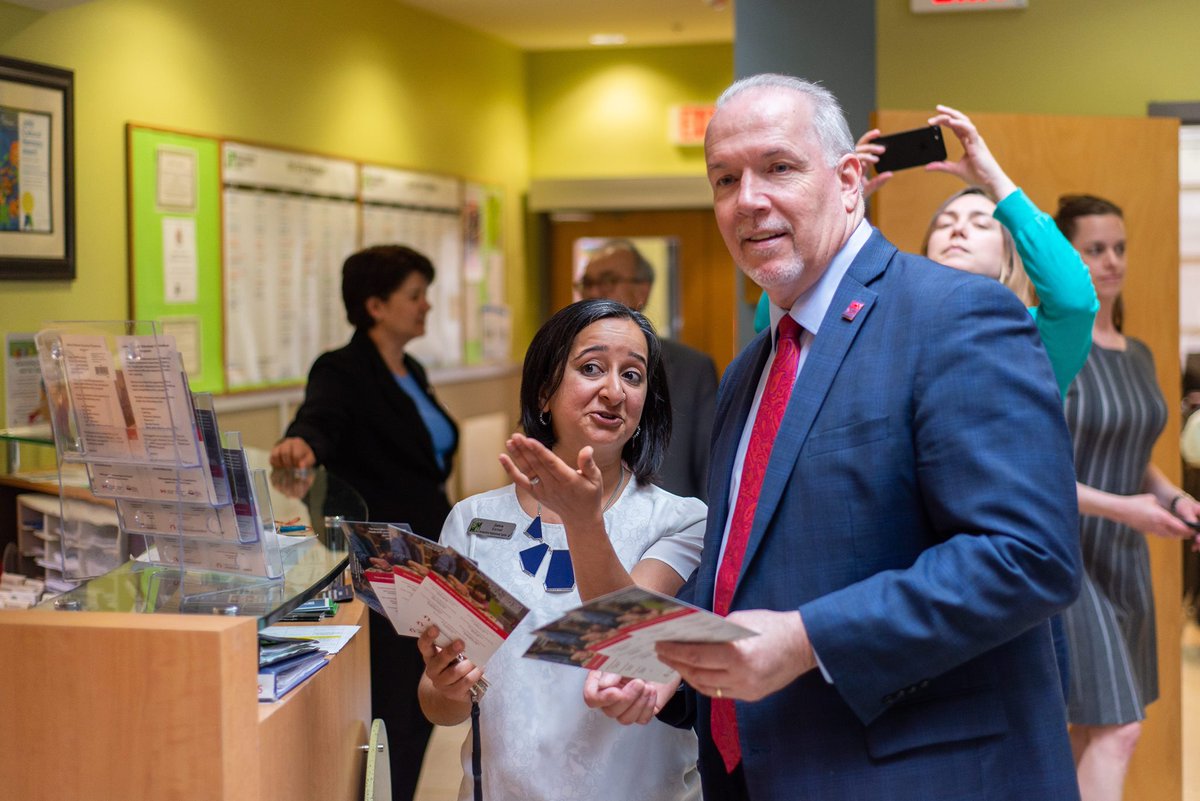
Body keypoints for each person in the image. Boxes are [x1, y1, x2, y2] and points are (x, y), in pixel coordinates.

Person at [589, 73, 1083, 800]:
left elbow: (1029, 556)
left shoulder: (955, 315)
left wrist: (806, 639)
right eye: (724, 179)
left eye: (778, 167)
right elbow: (747, 568)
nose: (747, 199)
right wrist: (664, 651)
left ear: (851, 180)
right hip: (761, 770)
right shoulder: (751, 368)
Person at [417, 299, 705, 801]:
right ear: (546, 391)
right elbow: (439, 706)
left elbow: (625, 642)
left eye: (633, 376)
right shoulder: (471, 522)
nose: (614, 391)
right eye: (591, 368)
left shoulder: (680, 520)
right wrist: (446, 687)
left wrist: (581, 519)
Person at [269, 244, 458, 801]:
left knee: (423, 696)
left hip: (428, 558)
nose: (426, 306)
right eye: (414, 296)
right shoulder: (342, 369)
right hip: (382, 570)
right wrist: (302, 443)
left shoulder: (412, 369)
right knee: (395, 702)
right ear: (375, 305)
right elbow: (319, 420)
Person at [1052, 194, 1200, 801]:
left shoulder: (1137, 354)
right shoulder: (1050, 347)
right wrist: (1127, 510)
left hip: (1124, 560)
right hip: (1065, 554)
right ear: (1064, 257)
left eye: (1119, 248)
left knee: (1092, 731)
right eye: (1094, 249)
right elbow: (1034, 470)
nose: (1111, 261)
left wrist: (1170, 497)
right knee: (1120, 729)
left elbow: (1134, 457)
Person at [577, 240, 718, 500]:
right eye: (587, 283)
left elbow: (709, 469)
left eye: (608, 280)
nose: (595, 291)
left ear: (642, 290)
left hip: (669, 528)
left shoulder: (692, 369)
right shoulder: (562, 363)